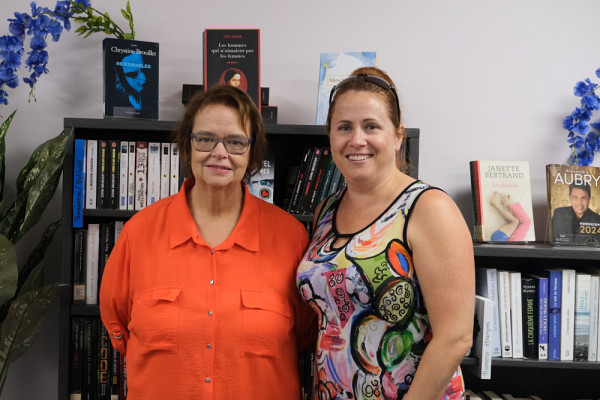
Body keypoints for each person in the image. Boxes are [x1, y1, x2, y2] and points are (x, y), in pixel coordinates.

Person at [100, 84, 316, 400]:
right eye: (205, 139)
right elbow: (117, 325)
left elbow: (306, 332)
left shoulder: (290, 237)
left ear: (252, 152)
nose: (219, 152)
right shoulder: (138, 233)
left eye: (235, 142)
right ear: (187, 146)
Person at [296, 67, 475, 399]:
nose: (356, 140)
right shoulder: (325, 211)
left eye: (371, 126)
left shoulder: (428, 209)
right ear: (331, 138)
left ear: (397, 136)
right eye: (344, 128)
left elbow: (456, 337)